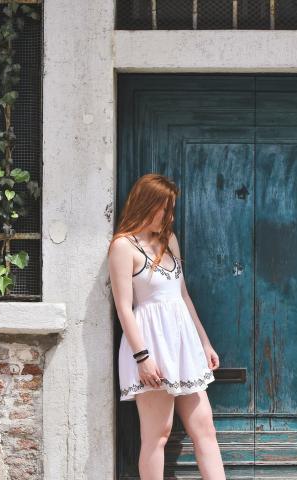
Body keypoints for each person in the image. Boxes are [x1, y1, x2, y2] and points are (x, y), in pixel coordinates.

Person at [109, 173, 226, 479]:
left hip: (183, 344)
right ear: (147, 204)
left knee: (205, 430)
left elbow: (183, 297)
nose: (170, 215)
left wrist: (204, 343)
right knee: (157, 435)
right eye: (165, 208)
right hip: (151, 346)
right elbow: (124, 308)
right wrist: (142, 358)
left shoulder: (169, 240)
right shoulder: (124, 247)